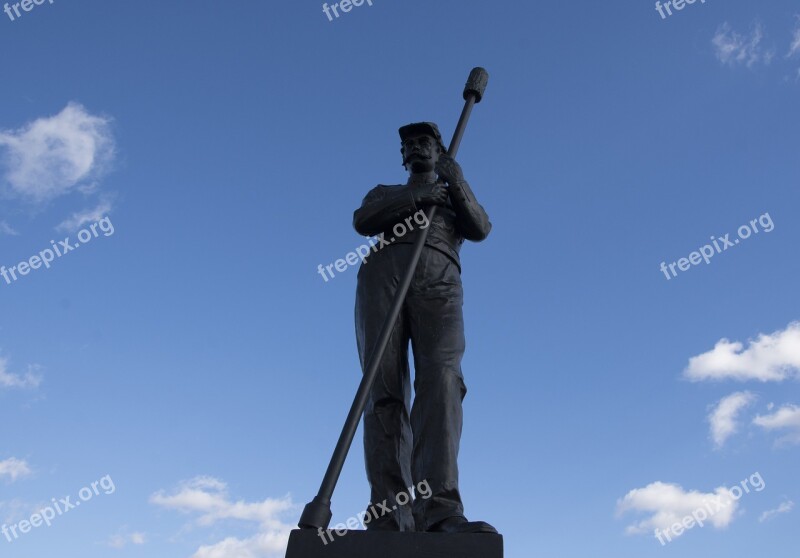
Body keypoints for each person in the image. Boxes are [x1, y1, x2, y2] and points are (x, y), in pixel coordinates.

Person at [353, 122, 496, 534]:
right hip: (384, 276)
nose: (416, 147)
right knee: (383, 390)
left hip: (439, 279)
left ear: (438, 150)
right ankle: (388, 513)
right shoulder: (385, 192)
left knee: (443, 381)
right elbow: (364, 220)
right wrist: (418, 195)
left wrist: (457, 182)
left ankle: (439, 510)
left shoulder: (453, 193)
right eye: (409, 144)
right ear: (402, 156)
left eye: (425, 142)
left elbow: (481, 228)